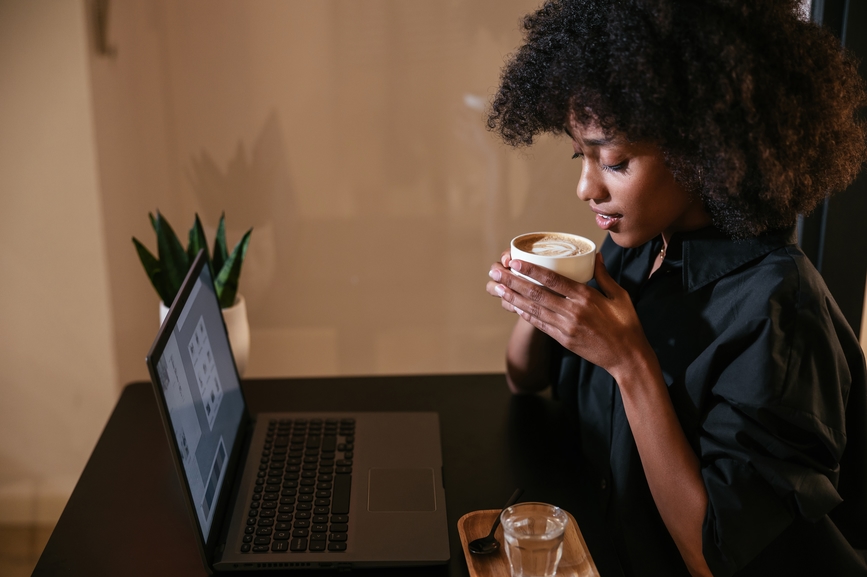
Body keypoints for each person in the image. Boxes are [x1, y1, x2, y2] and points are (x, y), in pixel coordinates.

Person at [484, 1, 867, 576]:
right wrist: (538, 292)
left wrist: (630, 363)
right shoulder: (638, 248)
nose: (586, 186)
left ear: (702, 152)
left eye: (613, 161)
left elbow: (712, 557)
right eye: (579, 154)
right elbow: (526, 380)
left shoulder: (779, 311)